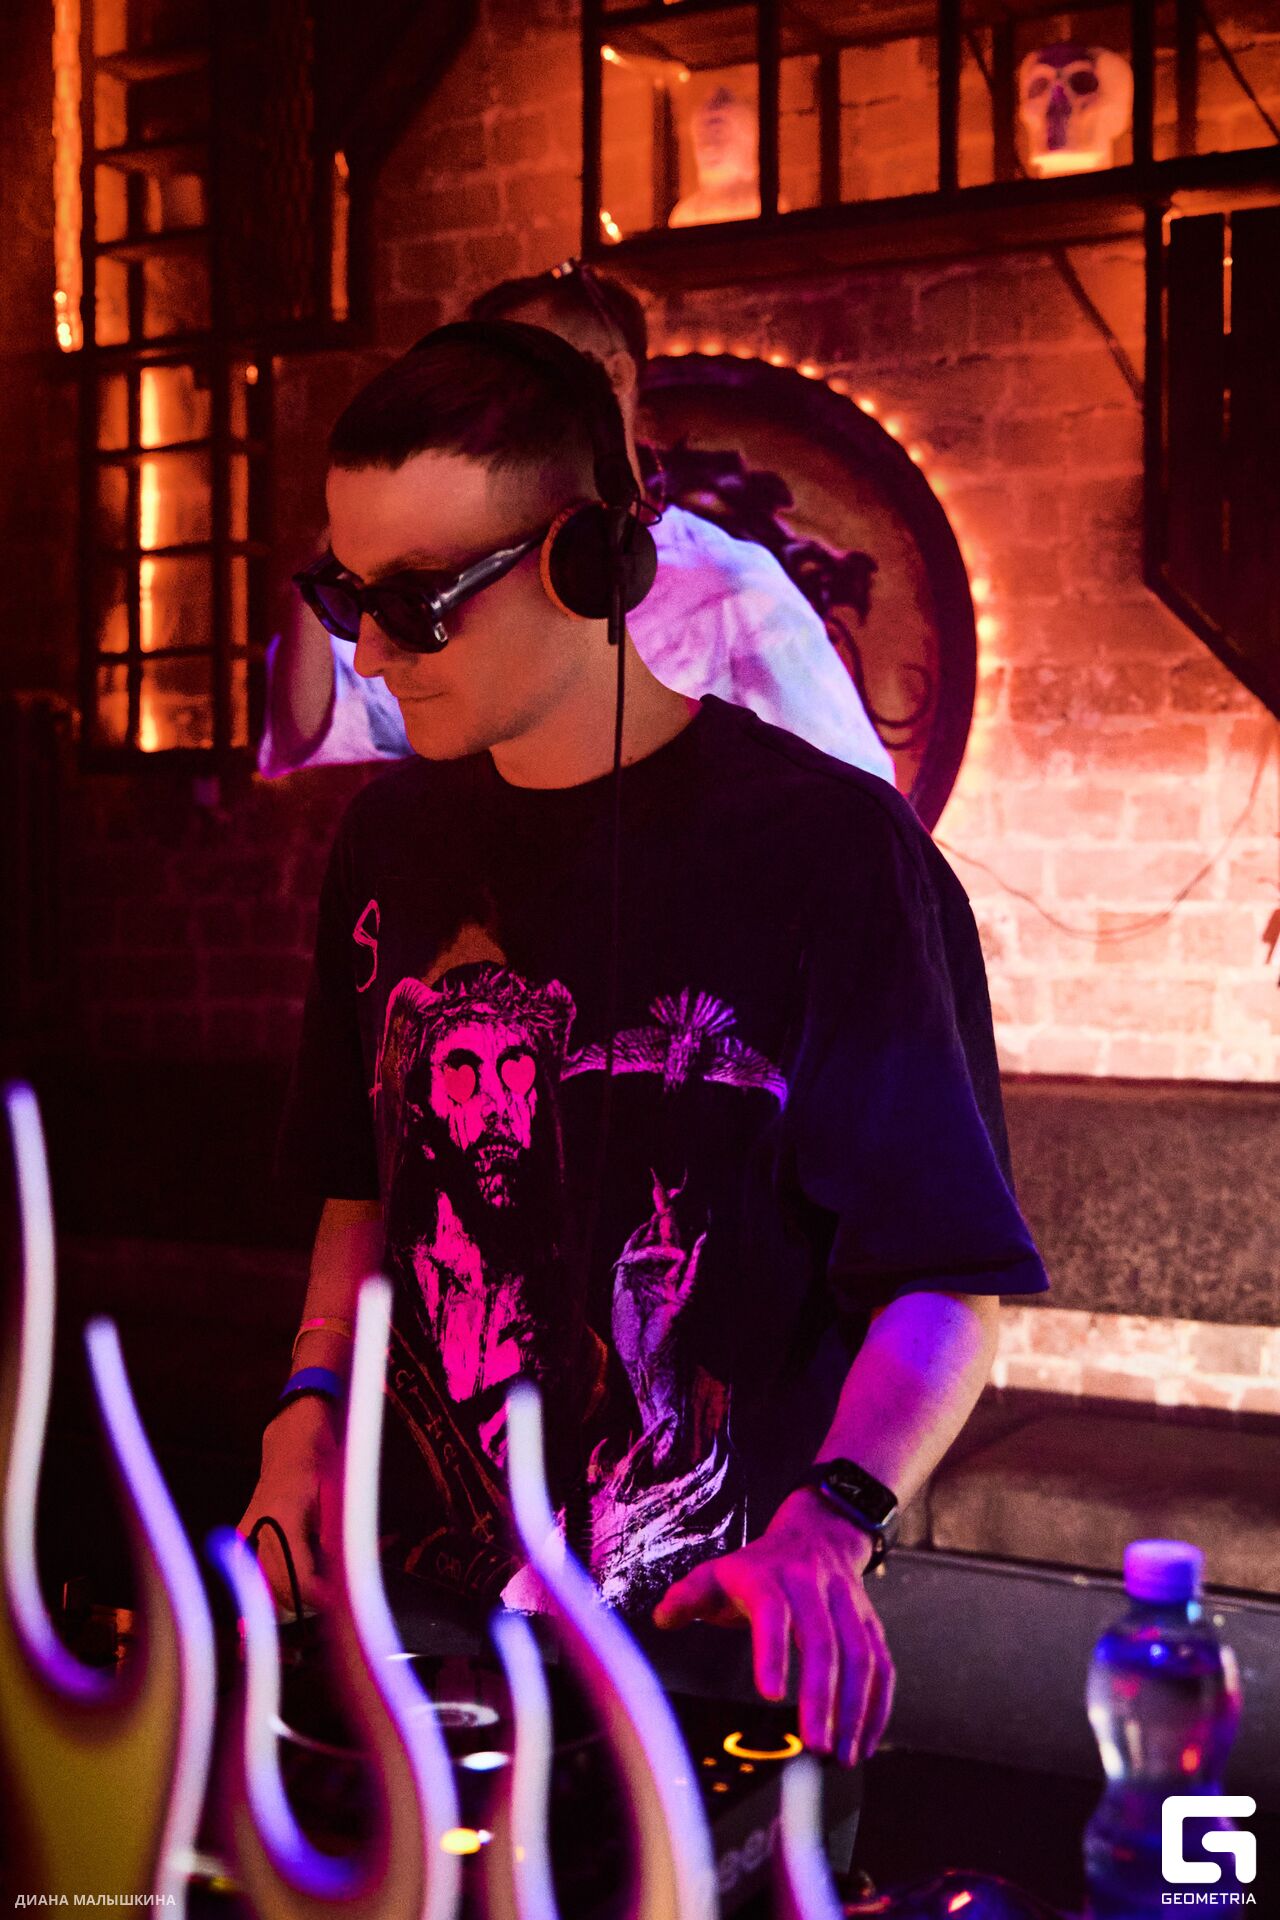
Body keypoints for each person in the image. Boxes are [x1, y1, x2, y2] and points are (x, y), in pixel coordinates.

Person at [240, 320, 1047, 1771]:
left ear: (584, 563)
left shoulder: (833, 856)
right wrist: (307, 1407)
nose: (370, 652)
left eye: (417, 604)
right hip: (416, 1641)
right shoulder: (384, 843)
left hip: (712, 1656)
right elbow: (361, 1184)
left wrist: (832, 1523)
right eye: (346, 596)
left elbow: (946, 1284)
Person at [258, 260, 895, 785]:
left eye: (529, 377)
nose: (497, 408)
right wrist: (337, 554)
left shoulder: (729, 590)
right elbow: (312, 726)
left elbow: (863, 822)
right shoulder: (442, 565)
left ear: (613, 376)